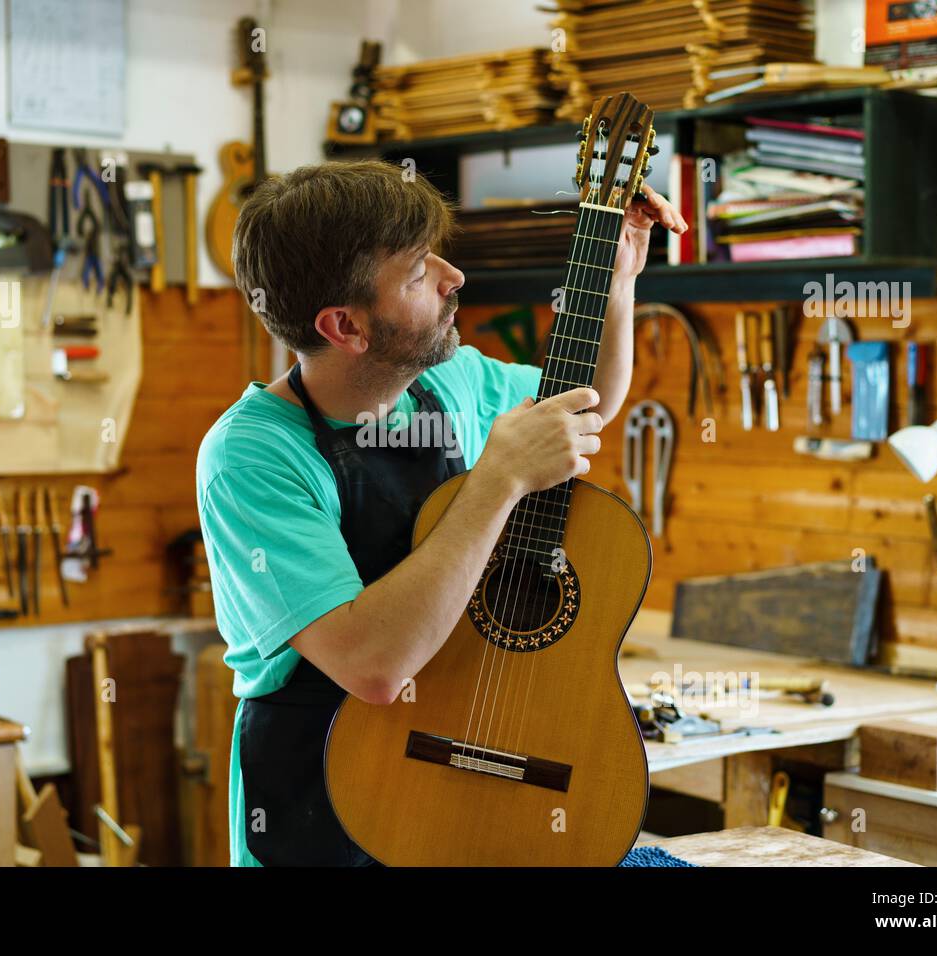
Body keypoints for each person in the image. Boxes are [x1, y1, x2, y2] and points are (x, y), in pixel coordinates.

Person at [195, 159, 685, 866]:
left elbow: (582, 406)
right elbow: (373, 665)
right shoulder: (252, 457)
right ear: (346, 326)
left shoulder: (446, 382)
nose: (453, 277)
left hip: (461, 776)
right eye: (420, 274)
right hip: (321, 813)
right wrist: (498, 479)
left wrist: (614, 285)